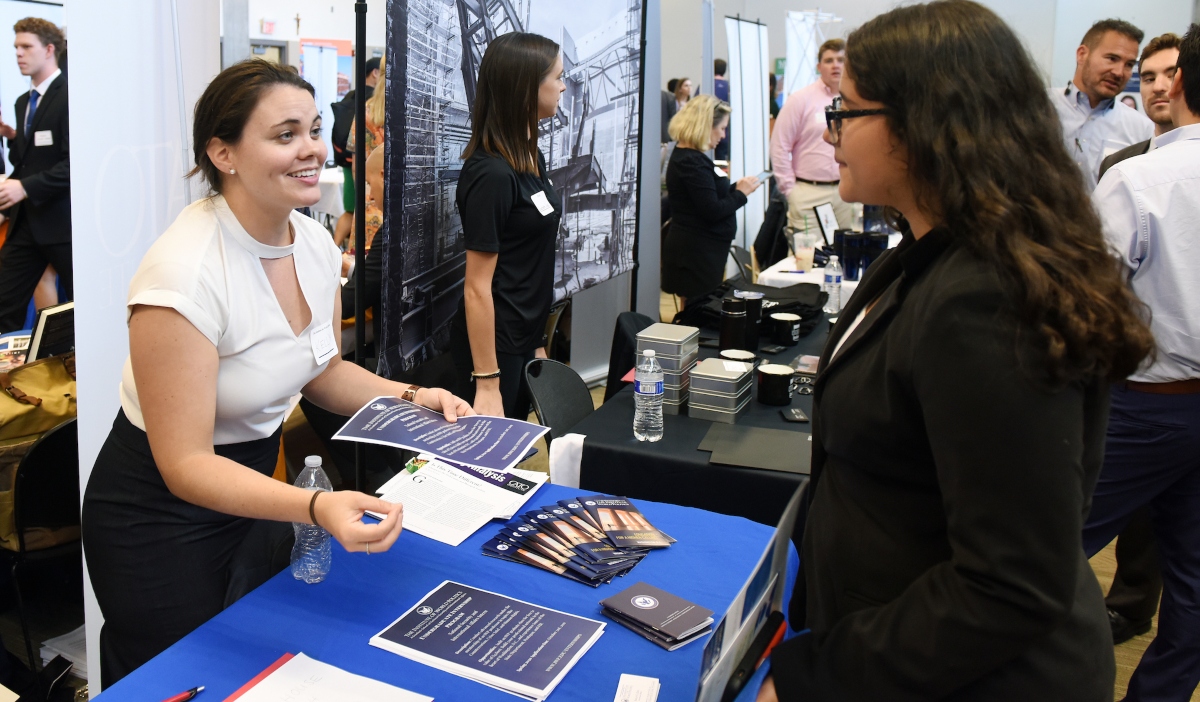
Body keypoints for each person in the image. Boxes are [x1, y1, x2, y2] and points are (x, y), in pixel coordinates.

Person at [756, 1, 1154, 699]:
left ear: (923, 123)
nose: (832, 131)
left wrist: (820, 675)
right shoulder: (924, 256)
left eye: (847, 112)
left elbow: (1009, 582)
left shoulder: (984, 297)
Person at [81, 59, 472, 686]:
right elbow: (184, 466)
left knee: (258, 668)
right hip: (158, 519)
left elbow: (321, 370)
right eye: (284, 134)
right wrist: (315, 507)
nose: (312, 149)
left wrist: (412, 397)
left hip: (256, 490)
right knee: (187, 679)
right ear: (223, 152)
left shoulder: (313, 244)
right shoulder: (183, 275)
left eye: (314, 129)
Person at [1082, 23, 1200, 702]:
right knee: (1193, 589)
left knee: (1043, 557)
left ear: (1178, 82)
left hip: (1142, 403)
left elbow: (1088, 310)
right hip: (1168, 400)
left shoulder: (1138, 178)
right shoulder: (1134, 171)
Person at [1093, 31, 1179, 647]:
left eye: (1167, 74)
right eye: (1145, 76)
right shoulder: (1122, 165)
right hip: (1131, 375)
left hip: (1155, 384)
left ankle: (1127, 608)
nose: (1156, 86)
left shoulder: (1148, 175)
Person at [449, 32, 564, 419]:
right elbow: (477, 289)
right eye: (557, 77)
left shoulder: (530, 159)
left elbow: (528, 261)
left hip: (522, 340)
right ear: (526, 88)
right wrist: (487, 381)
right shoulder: (492, 175)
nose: (563, 85)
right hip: (494, 351)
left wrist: (536, 342)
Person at [0, 18, 69, 332]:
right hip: (25, 224)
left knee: (82, 307)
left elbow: (74, 165)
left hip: (61, 224)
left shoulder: (70, 96)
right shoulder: (21, 102)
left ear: (49, 49)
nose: (18, 54)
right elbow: (28, 160)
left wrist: (24, 188)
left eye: (26, 46)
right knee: (4, 304)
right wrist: (14, 139)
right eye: (16, 47)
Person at [660, 95, 762, 303]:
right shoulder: (691, 162)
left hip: (701, 251)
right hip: (696, 254)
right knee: (697, 312)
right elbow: (712, 210)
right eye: (722, 128)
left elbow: (705, 197)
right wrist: (741, 194)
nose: (723, 135)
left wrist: (737, 189)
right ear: (706, 125)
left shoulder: (692, 158)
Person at [1052, 18, 1153, 190]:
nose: (1119, 72)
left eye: (1129, 64)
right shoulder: (1039, 106)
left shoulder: (1142, 130)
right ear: (1082, 54)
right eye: (1112, 58)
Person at [770, 38, 852, 235]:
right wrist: (790, 190)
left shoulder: (853, 100)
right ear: (819, 66)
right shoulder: (800, 99)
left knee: (845, 256)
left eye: (841, 60)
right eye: (829, 60)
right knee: (808, 258)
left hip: (845, 193)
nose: (835, 65)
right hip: (808, 193)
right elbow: (779, 146)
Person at [330, 55, 380, 247]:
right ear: (375, 73)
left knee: (351, 209)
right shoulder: (372, 102)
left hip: (348, 163)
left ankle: (334, 249)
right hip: (367, 170)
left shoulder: (351, 95)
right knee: (358, 211)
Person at [713, 59, 730, 161]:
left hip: (709, 133)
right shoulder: (729, 87)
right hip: (726, 132)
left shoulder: (705, 85)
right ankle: (722, 176)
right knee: (721, 162)